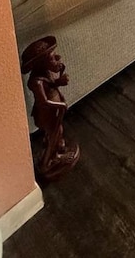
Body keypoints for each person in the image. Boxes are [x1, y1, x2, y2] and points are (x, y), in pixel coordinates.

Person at [21, 36, 80, 180]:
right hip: (46, 114)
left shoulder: (44, 74)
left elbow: (52, 85)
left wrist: (59, 81)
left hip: (53, 113)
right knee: (55, 133)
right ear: (41, 63)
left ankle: (55, 150)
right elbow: (44, 101)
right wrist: (62, 105)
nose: (57, 58)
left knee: (55, 134)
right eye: (53, 58)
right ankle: (47, 163)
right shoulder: (37, 82)